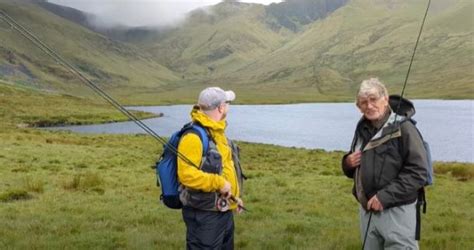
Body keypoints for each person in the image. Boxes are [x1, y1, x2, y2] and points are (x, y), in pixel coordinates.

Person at [341, 78, 428, 249]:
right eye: (363, 102)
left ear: (385, 99)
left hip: (398, 212)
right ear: (359, 107)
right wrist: (347, 163)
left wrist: (384, 197)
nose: (369, 105)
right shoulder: (362, 129)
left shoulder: (405, 129)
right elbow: (357, 164)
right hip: (367, 212)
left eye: (373, 99)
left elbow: (418, 172)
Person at [177, 87, 244, 249]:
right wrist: (218, 183)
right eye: (227, 103)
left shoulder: (217, 132)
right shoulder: (193, 137)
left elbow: (226, 168)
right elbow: (186, 175)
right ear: (221, 108)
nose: (228, 107)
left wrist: (234, 198)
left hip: (223, 211)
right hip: (204, 216)